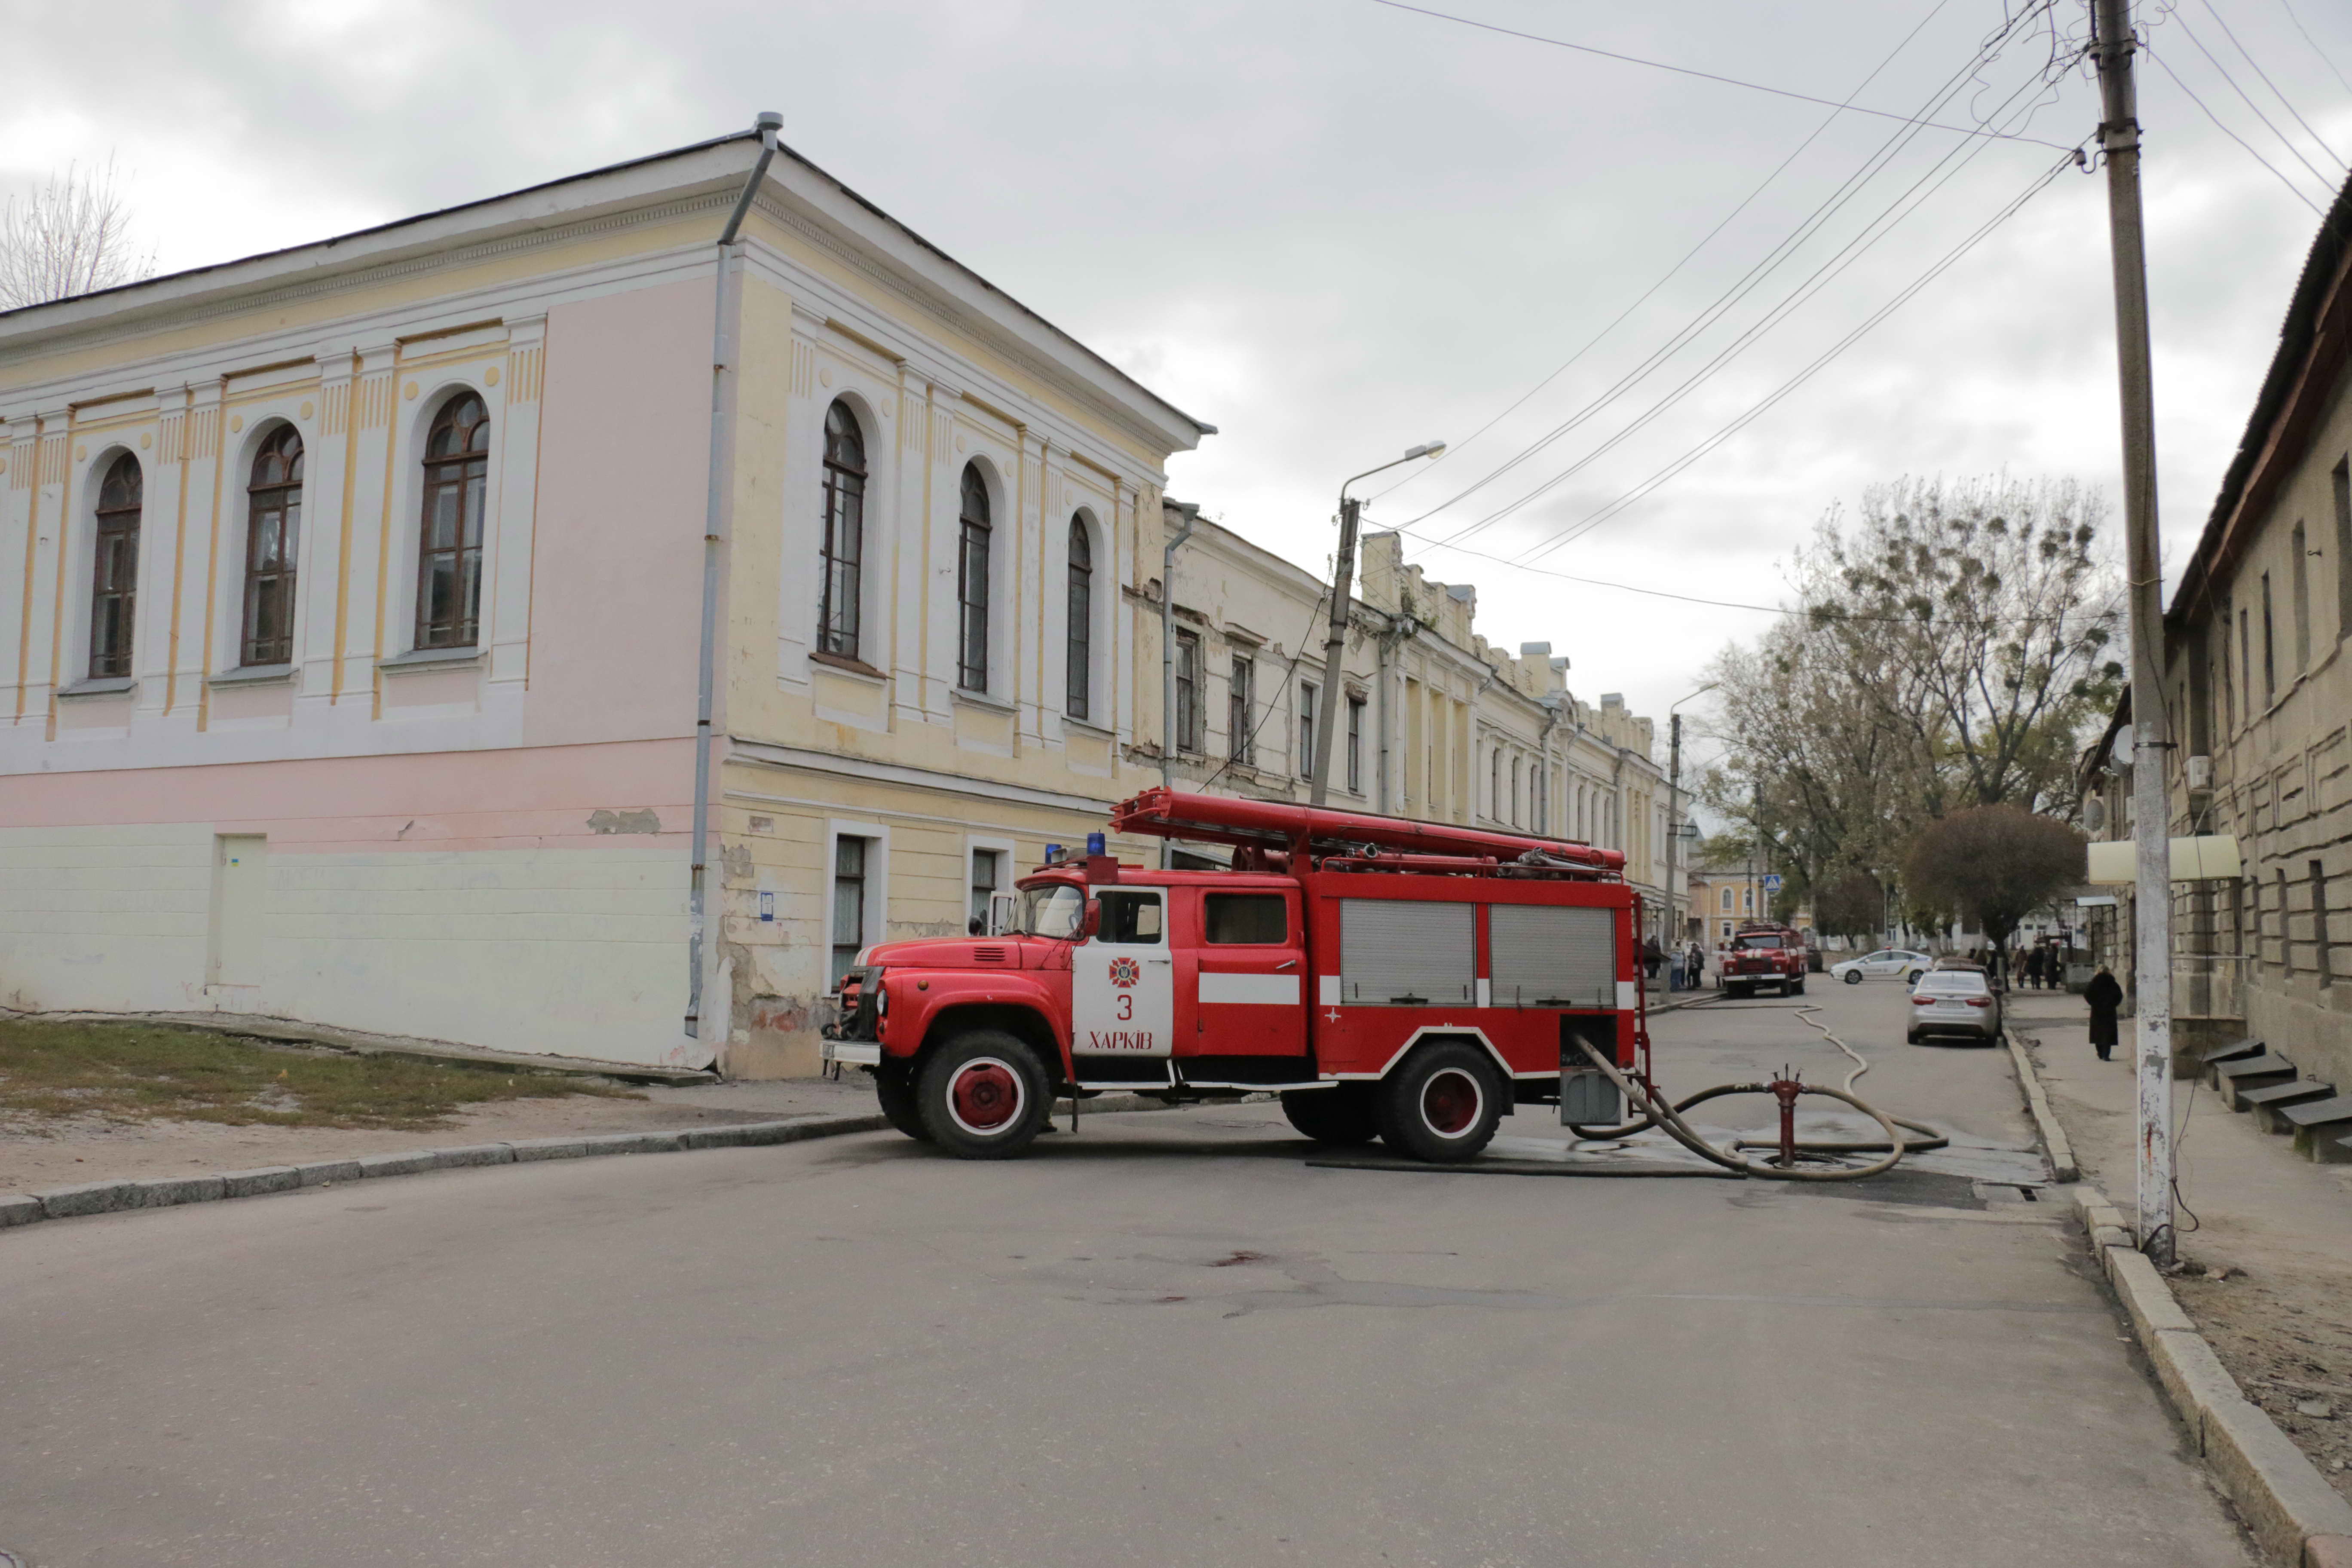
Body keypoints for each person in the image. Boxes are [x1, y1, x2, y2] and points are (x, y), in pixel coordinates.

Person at [2084, 965, 2124, 1062]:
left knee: (2098, 1032)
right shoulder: (2113, 983)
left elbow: (2087, 994)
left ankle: (2100, 1052)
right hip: (2109, 1010)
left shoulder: (2094, 983)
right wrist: (2113, 1004)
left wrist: (2093, 1003)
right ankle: (2106, 1055)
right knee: (2108, 1032)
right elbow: (2119, 996)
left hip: (2097, 1010)